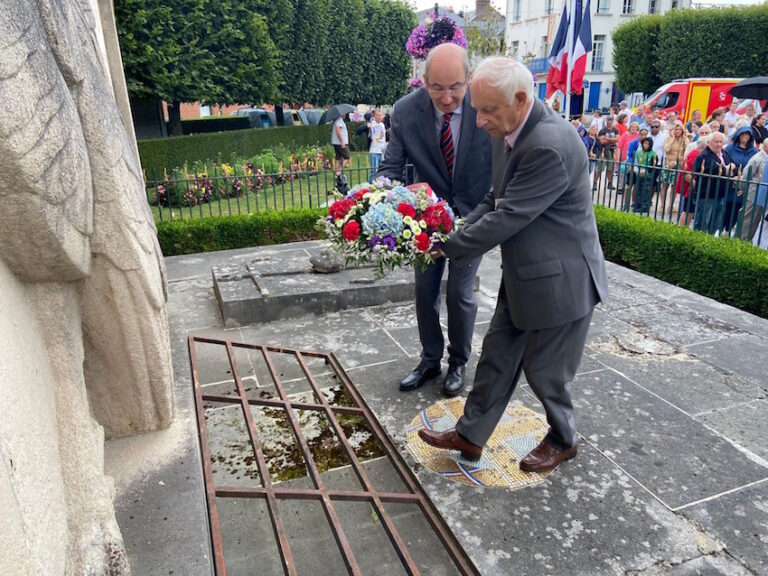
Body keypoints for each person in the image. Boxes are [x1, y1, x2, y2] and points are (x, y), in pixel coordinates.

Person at [418, 56, 608, 473]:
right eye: (477, 109)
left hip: (562, 282)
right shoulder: (509, 129)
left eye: (488, 110)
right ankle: (470, 435)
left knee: (546, 374)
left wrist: (445, 247)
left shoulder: (548, 145)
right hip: (528, 275)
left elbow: (507, 218)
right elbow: (494, 198)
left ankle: (564, 438)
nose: (480, 120)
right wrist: (452, 228)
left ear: (520, 99)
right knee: (497, 358)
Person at [377, 43, 492, 397]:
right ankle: (430, 359)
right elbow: (390, 170)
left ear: (469, 79)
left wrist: (479, 218)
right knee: (425, 292)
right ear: (423, 81)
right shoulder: (406, 112)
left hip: (474, 216)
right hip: (425, 221)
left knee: (460, 293)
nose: (446, 97)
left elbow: (504, 167)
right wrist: (381, 203)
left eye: (455, 87)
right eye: (437, 87)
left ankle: (458, 361)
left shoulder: (487, 106)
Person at [692, 131, 735, 234]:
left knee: (716, 223)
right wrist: (728, 169)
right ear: (709, 143)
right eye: (716, 142)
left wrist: (729, 169)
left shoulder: (724, 153)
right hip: (707, 194)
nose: (719, 144)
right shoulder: (705, 156)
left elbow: (734, 165)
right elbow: (716, 170)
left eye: (721, 142)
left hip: (721, 194)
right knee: (701, 223)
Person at [723, 125, 757, 234]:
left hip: (743, 184)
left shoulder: (753, 151)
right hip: (729, 182)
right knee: (726, 208)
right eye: (743, 134)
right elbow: (726, 163)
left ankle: (730, 231)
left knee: (738, 210)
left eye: (747, 135)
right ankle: (722, 230)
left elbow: (754, 169)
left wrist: (743, 182)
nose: (745, 136)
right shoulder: (729, 148)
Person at [739, 142, 767, 241]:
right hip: (754, 194)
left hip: (762, 195)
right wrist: (742, 188)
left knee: (757, 220)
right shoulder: (757, 158)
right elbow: (746, 175)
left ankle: (749, 240)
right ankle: (742, 240)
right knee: (749, 219)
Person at [661, 121, 688, 216]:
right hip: (669, 164)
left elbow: (687, 150)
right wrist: (672, 139)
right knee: (665, 185)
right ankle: (662, 205)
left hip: (679, 164)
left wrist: (685, 139)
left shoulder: (684, 139)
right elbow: (666, 149)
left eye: (679, 129)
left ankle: (670, 205)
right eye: (676, 129)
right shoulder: (668, 138)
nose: (678, 131)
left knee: (674, 187)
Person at [598, 115, 620, 189]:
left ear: (613, 120)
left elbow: (617, 139)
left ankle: (610, 183)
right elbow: (602, 141)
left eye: (611, 120)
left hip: (612, 150)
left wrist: (607, 138)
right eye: (608, 120)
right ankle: (595, 183)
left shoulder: (615, 130)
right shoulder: (602, 130)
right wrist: (612, 139)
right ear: (606, 120)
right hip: (604, 150)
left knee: (610, 168)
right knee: (600, 168)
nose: (609, 121)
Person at [331, 112, 350, 193]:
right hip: (339, 143)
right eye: (344, 113)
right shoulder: (339, 121)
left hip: (336, 142)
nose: (345, 115)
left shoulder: (337, 120)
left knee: (338, 158)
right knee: (347, 157)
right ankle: (339, 172)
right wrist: (342, 141)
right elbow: (338, 130)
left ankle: (336, 174)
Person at [367, 108, 386, 181]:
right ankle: (370, 185)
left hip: (382, 151)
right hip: (374, 150)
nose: (379, 117)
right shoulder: (372, 124)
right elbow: (359, 130)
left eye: (381, 115)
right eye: (378, 115)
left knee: (380, 172)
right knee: (374, 171)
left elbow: (383, 137)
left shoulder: (382, 125)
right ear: (374, 116)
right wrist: (367, 126)